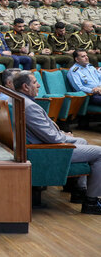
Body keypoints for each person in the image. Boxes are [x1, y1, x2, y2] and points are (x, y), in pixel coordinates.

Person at [13, 71, 101, 215]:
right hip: (48, 151)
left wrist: (62, 135)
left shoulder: (18, 100)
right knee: (99, 153)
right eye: (35, 82)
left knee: (82, 141)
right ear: (25, 87)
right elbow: (53, 139)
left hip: (41, 145)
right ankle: (91, 202)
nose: (39, 85)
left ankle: (79, 191)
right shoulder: (29, 106)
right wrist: (64, 136)